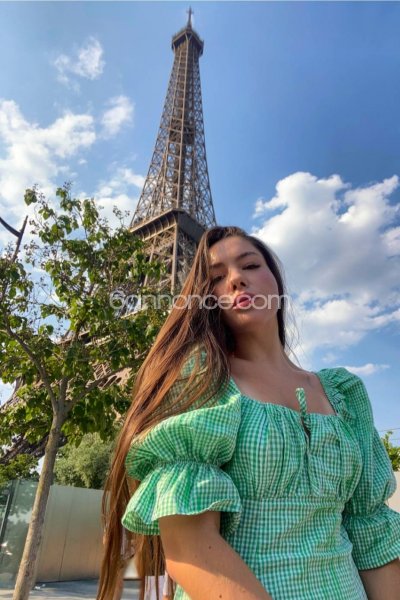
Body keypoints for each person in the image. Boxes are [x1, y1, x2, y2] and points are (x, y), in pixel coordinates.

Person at [97, 225, 400, 599]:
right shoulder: (201, 380)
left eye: (251, 265)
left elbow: (371, 534)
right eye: (216, 277)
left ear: (276, 282)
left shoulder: (344, 394)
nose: (237, 280)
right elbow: (191, 547)